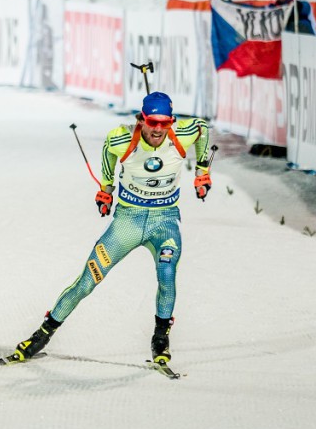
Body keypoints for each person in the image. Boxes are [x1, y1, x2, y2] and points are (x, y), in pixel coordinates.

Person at [13, 92, 210, 365]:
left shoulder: (182, 134)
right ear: (141, 120)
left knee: (167, 274)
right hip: (127, 223)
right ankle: (43, 333)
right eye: (152, 122)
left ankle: (160, 337)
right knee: (87, 281)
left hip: (164, 221)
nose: (158, 130)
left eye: (165, 124)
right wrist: (106, 190)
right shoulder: (120, 138)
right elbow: (108, 153)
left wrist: (202, 171)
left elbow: (203, 129)